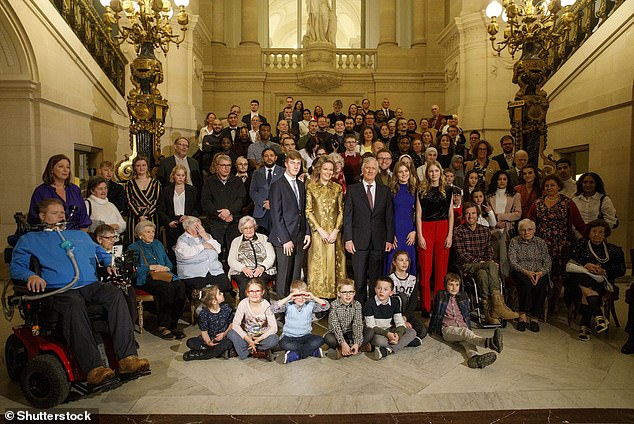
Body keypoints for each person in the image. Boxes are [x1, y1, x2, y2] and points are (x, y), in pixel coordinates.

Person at [11, 199, 149, 386]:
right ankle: (94, 368)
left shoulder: (79, 235)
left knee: (116, 294)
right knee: (74, 304)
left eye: (62, 212)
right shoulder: (30, 239)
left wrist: (109, 262)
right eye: (55, 213)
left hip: (90, 285)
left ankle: (127, 359)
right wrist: (30, 276)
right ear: (42, 217)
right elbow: (16, 267)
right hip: (61, 289)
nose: (61, 216)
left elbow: (100, 252)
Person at [453, 202, 518, 324]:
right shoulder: (458, 231)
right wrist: (483, 262)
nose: (470, 216)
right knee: (491, 265)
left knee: (483, 273)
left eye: (473, 213)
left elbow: (489, 252)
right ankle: (498, 305)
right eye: (467, 213)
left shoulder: (484, 230)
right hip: (467, 266)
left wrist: (486, 262)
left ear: (477, 215)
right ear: (463, 216)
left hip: (483, 267)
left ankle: (489, 311)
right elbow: (462, 255)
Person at [529, 175, 585, 314]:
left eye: (552, 185)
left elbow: (578, 223)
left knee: (559, 275)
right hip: (541, 243)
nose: (549, 188)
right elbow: (529, 222)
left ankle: (555, 303)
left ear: (559, 186)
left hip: (561, 244)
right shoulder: (537, 203)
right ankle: (541, 303)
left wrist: (589, 237)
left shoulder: (568, 203)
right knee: (542, 273)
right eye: (547, 186)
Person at [344, 157, 394, 303]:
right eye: (367, 168)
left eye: (373, 168)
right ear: (362, 170)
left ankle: (372, 310)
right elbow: (348, 217)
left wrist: (389, 239)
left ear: (377, 170)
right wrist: (348, 239)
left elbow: (388, 217)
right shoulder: (353, 190)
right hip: (358, 241)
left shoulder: (385, 191)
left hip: (379, 241)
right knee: (359, 281)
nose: (370, 170)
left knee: (375, 280)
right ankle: (359, 311)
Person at [429, 273, 503, 369]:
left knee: (468, 341)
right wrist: (431, 329)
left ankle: (475, 358)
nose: (454, 288)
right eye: (451, 284)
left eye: (457, 285)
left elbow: (467, 314)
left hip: (462, 327)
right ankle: (488, 343)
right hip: (448, 330)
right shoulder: (441, 295)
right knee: (465, 332)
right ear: (445, 285)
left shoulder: (463, 296)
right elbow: (436, 313)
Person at [568, 219, 625, 341]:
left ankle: (587, 325)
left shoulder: (613, 250)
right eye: (594, 231)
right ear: (589, 233)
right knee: (582, 278)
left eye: (600, 232)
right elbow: (571, 261)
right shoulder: (580, 245)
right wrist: (586, 265)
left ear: (605, 235)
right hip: (577, 284)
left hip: (601, 284)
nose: (597, 234)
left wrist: (604, 271)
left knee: (586, 291)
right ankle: (598, 316)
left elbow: (621, 270)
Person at [128, 220, 186, 340]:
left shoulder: (158, 244)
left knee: (180, 286)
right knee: (167, 289)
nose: (151, 234)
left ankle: (173, 324)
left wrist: (164, 267)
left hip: (163, 274)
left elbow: (169, 264)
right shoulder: (133, 247)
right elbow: (132, 271)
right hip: (145, 277)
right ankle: (163, 326)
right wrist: (150, 267)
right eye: (148, 232)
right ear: (140, 234)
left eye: (153, 232)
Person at [269, 150, 311, 297]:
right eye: (292, 163)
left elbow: (303, 211)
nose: (295, 166)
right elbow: (276, 215)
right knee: (284, 274)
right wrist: (285, 239)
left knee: (295, 274)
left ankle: (294, 302)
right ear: (286, 164)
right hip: (284, 238)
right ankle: (282, 306)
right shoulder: (277, 185)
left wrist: (306, 232)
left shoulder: (300, 185)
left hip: (299, 235)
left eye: (298, 163)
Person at [305, 157, 346, 300]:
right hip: (318, 234)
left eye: (331, 170)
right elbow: (308, 211)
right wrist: (319, 230)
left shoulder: (337, 188)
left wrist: (336, 230)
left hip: (335, 234)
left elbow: (341, 211)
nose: (328, 172)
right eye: (325, 169)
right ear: (319, 170)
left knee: (335, 266)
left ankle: (336, 300)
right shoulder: (311, 187)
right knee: (318, 266)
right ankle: (318, 301)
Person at [415, 161, 453, 312]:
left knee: (441, 270)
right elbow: (418, 214)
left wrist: (450, 235)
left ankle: (439, 306)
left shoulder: (448, 190)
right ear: (427, 173)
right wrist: (420, 235)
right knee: (425, 270)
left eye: (436, 171)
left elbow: (451, 214)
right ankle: (425, 306)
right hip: (426, 228)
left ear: (440, 172)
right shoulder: (421, 190)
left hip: (443, 227)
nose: (434, 174)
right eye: (431, 171)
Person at [508, 219, 552, 332]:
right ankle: (522, 316)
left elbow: (548, 261)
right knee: (525, 283)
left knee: (541, 284)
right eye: (523, 230)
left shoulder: (540, 242)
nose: (526, 232)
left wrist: (540, 273)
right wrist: (526, 272)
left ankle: (534, 318)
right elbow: (512, 261)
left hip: (538, 272)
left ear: (534, 230)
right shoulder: (514, 241)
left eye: (529, 229)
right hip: (521, 271)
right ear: (519, 231)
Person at [28, 154, 91, 231]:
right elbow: (34, 220)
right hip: (49, 236)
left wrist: (81, 239)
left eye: (68, 167)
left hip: (75, 235)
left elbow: (84, 219)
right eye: (61, 166)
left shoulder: (75, 190)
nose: (65, 170)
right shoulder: (41, 191)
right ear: (51, 169)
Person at [272, 280, 330, 363]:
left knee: (320, 340)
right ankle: (311, 351)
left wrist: (313, 297)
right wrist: (288, 297)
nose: (300, 298)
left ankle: (296, 354)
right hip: (289, 337)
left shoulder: (310, 304)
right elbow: (273, 308)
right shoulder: (288, 304)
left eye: (303, 295)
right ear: (292, 295)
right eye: (297, 295)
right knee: (283, 343)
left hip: (306, 336)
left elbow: (326, 306)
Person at [201, 154, 246, 255]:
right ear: (217, 167)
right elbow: (206, 201)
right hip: (215, 222)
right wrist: (219, 214)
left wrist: (229, 211)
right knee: (216, 251)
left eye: (229, 165)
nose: (226, 168)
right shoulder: (209, 181)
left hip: (233, 221)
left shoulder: (237, 181)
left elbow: (241, 199)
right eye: (223, 165)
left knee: (234, 251)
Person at [364, 277, 418, 360]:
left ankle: (387, 350)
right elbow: (371, 326)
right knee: (380, 341)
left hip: (390, 330)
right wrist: (387, 335)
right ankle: (403, 344)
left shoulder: (394, 303)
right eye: (379, 288)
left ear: (391, 292)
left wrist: (398, 336)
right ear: (375, 289)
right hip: (377, 333)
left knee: (411, 332)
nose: (381, 291)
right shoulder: (370, 304)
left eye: (385, 289)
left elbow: (400, 322)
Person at [174, 216, 230, 296]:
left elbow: (218, 250)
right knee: (205, 288)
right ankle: (204, 307)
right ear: (187, 229)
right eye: (196, 227)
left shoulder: (207, 236)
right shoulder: (182, 240)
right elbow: (186, 254)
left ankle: (216, 306)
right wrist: (203, 246)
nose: (200, 229)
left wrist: (205, 236)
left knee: (223, 284)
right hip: (194, 274)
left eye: (200, 226)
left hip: (214, 271)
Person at [94, 224, 137, 326]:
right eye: (109, 238)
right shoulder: (96, 253)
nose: (113, 240)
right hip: (104, 284)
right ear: (100, 240)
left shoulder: (119, 253)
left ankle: (129, 327)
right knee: (121, 293)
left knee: (129, 291)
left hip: (122, 283)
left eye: (114, 237)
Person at [226, 279, 279, 360]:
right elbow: (236, 324)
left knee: (274, 339)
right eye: (251, 291)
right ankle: (256, 352)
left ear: (263, 292)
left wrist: (260, 338)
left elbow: (274, 328)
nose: (254, 294)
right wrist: (247, 338)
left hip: (260, 337)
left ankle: (246, 350)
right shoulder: (243, 303)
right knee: (231, 333)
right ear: (247, 293)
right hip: (246, 336)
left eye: (257, 291)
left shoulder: (266, 305)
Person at [227, 216, 276, 300]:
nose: (249, 230)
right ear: (241, 229)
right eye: (245, 228)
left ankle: (264, 310)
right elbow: (231, 260)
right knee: (244, 286)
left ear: (255, 227)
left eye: (251, 227)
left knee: (259, 284)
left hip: (262, 271)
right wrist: (244, 269)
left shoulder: (264, 238)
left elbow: (271, 256)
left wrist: (262, 268)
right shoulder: (236, 241)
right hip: (242, 272)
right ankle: (246, 311)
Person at [486, 170, 521, 279]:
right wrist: (495, 222)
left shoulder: (515, 195)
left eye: (504, 179)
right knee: (494, 258)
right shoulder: (488, 195)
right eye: (499, 179)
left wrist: (500, 217)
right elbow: (484, 214)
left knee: (505, 259)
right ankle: (496, 283)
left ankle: (506, 284)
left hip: (508, 230)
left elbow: (518, 214)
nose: (502, 181)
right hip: (492, 229)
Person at [183, 285, 234, 361]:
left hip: (224, 337)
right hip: (210, 338)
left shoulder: (226, 308)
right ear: (214, 301)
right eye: (219, 293)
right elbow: (204, 331)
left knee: (228, 343)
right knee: (190, 342)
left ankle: (205, 354)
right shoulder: (204, 314)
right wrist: (208, 342)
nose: (222, 293)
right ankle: (215, 351)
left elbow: (231, 324)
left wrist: (224, 334)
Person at [157, 165, 199, 257]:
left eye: (183, 175)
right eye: (178, 175)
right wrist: (168, 222)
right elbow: (161, 209)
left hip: (188, 223)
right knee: (173, 250)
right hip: (172, 223)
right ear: (173, 176)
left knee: (189, 249)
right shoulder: (167, 190)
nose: (180, 178)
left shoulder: (192, 190)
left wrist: (188, 217)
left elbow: (197, 208)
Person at [385, 160, 417, 275]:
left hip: (409, 233)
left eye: (406, 171)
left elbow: (418, 214)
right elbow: (387, 214)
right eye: (400, 172)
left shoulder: (415, 190)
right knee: (393, 261)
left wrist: (414, 231)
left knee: (407, 262)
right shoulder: (391, 191)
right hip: (395, 233)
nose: (404, 174)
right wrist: (390, 235)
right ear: (396, 174)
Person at [325, 279, 368, 359]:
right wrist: (343, 343)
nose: (348, 295)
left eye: (351, 292)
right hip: (336, 334)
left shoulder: (357, 305)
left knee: (369, 331)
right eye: (344, 292)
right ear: (338, 293)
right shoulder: (334, 305)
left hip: (350, 332)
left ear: (354, 293)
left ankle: (353, 346)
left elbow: (357, 324)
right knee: (328, 338)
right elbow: (335, 326)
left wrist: (357, 342)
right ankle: (345, 347)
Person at [388, 251, 426, 339]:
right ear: (394, 262)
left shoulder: (413, 279)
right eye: (401, 260)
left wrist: (405, 317)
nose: (404, 263)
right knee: (402, 296)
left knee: (422, 332)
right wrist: (400, 320)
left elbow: (413, 301)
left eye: (406, 260)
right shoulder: (390, 279)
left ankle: (405, 336)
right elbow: (390, 303)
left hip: (407, 313)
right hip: (394, 314)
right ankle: (397, 330)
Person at [124, 156, 161, 244]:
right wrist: (140, 216)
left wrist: (147, 216)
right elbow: (129, 201)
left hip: (151, 217)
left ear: (147, 166)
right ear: (134, 167)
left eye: (144, 165)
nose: (141, 168)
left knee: (151, 241)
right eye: (138, 165)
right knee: (134, 241)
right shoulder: (129, 184)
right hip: (134, 217)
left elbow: (157, 201)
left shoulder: (155, 183)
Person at [250, 148, 285, 234]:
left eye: (271, 156)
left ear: (276, 157)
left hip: (278, 211)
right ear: (263, 158)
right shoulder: (257, 173)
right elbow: (253, 191)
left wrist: (273, 203)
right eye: (266, 156)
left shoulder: (283, 172)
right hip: (261, 212)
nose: (269, 158)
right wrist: (263, 203)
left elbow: (285, 191)